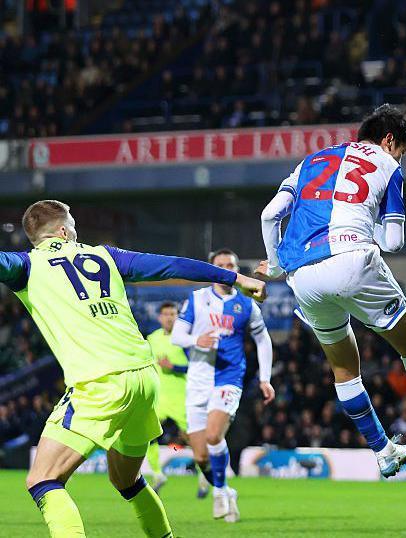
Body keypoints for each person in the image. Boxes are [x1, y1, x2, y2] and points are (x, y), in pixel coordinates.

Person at [5, 199, 265, 537]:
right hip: (144, 379)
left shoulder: (25, 265)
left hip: (100, 383)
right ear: (65, 231)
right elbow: (171, 265)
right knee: (127, 481)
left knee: (43, 479)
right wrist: (235, 277)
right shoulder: (105, 255)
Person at [258, 104, 406, 478]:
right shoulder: (388, 165)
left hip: (303, 277)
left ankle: (383, 451)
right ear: (389, 139)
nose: (401, 157)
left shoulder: (312, 160)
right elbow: (393, 240)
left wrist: (276, 264)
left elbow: (269, 215)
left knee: (344, 368)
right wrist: (358, 229)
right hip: (351, 259)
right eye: (402, 150)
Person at [171, 248, 275, 523]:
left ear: (236, 269)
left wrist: (265, 378)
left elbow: (263, 340)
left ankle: (218, 492)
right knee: (202, 456)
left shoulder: (246, 304)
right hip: (197, 379)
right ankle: (227, 488)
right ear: (211, 268)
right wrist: (197, 341)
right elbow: (177, 335)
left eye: (230, 265)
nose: (226, 269)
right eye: (221, 265)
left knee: (215, 436)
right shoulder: (197, 299)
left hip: (229, 377)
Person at [143, 301, 191, 495]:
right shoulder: (152, 339)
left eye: (173, 314)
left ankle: (208, 476)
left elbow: (196, 365)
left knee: (194, 439)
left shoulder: (184, 339)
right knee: (147, 434)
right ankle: (157, 473)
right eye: (166, 314)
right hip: (159, 399)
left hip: (182, 397)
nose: (169, 317)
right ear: (160, 317)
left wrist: (174, 367)